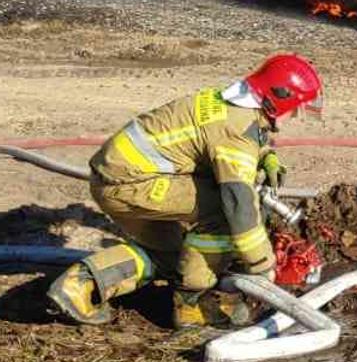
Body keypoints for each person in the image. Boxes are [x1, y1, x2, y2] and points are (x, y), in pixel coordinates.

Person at [47, 54, 321, 328]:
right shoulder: (236, 132)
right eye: (295, 107)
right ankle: (192, 305)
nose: (296, 114)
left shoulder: (229, 102)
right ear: (277, 98)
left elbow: (219, 136)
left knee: (172, 254)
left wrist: (265, 156)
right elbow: (238, 205)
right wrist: (262, 264)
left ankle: (80, 286)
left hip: (120, 178)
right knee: (223, 214)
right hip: (130, 185)